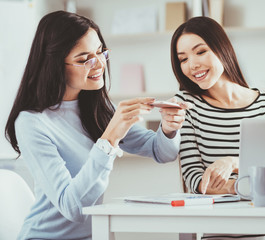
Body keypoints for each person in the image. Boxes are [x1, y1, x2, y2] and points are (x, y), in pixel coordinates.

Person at [5, 11, 190, 240]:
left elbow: (162, 152)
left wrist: (169, 127)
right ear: (54, 64)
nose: (99, 63)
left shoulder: (96, 108)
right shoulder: (32, 122)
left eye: (101, 52)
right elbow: (72, 207)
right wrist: (110, 138)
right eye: (84, 59)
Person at [171, 17, 265, 240]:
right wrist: (240, 187)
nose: (192, 65)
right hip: (221, 232)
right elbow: (195, 180)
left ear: (222, 48)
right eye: (183, 59)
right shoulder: (187, 105)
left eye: (200, 52)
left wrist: (233, 162)